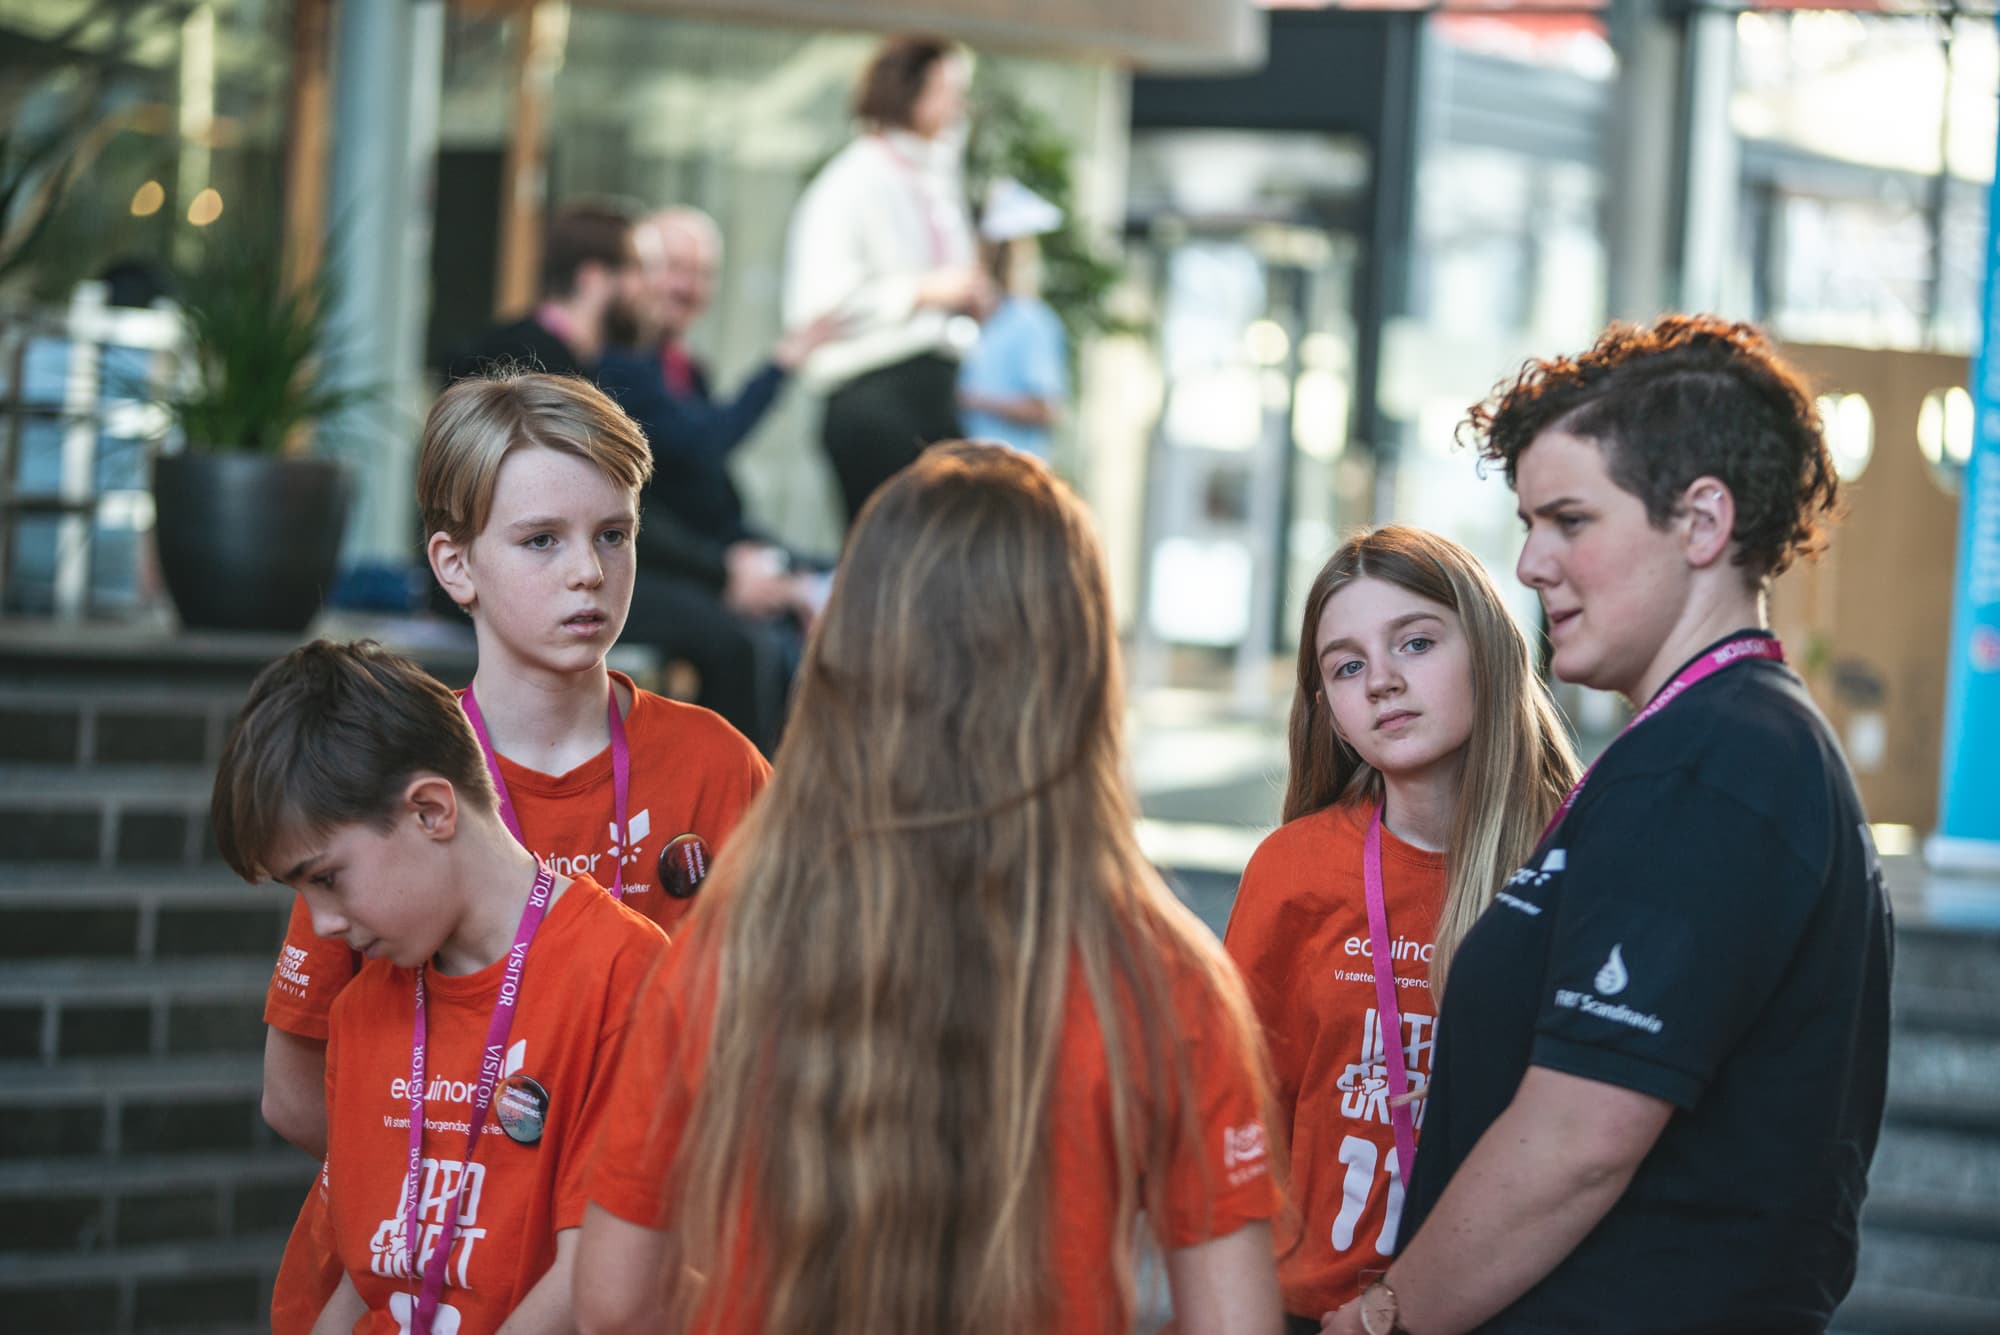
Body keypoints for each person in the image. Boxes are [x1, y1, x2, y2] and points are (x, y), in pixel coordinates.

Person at [572, 443, 1287, 1335]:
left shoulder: (736, 941)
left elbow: (612, 1300)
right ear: (1079, 671)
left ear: (850, 655)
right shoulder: (1164, 974)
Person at [1326, 316, 1892, 1335]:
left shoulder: (1718, 758)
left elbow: (1578, 1140)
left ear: (1700, 522)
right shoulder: (1697, 744)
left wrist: (1387, 1316)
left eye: (1569, 520)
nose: (1531, 563)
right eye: (1527, 522)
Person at [257, 372, 769, 1332]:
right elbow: (295, 1092)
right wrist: (470, 1179)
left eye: (613, 535)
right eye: (542, 541)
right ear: (456, 566)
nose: (589, 571)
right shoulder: (391, 783)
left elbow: (771, 1049)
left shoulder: (717, 766)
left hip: (627, 1286)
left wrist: (588, 1211)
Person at [214, 640, 673, 1334]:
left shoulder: (624, 973)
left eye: (326, 878)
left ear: (431, 809)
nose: (322, 923)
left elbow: (591, 1280)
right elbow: (367, 1272)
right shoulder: (364, 1007)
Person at [1224, 527, 1577, 1335]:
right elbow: (1236, 1126)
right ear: (1330, 710)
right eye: (1347, 665)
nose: (1382, 680)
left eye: (1415, 642)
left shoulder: (1573, 866)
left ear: (1487, 648)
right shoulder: (1294, 871)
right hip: (1315, 1315)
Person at [783, 36, 994, 524]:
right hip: (874, 397)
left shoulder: (932, 180)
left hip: (930, 394)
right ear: (912, 92)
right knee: (897, 567)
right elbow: (822, 304)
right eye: (950, 91)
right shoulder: (852, 181)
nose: (961, 107)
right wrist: (923, 291)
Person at [958, 183, 1069, 460]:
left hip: (1011, 474)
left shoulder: (1030, 322)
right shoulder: (955, 319)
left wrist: (971, 400)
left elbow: (1045, 410)